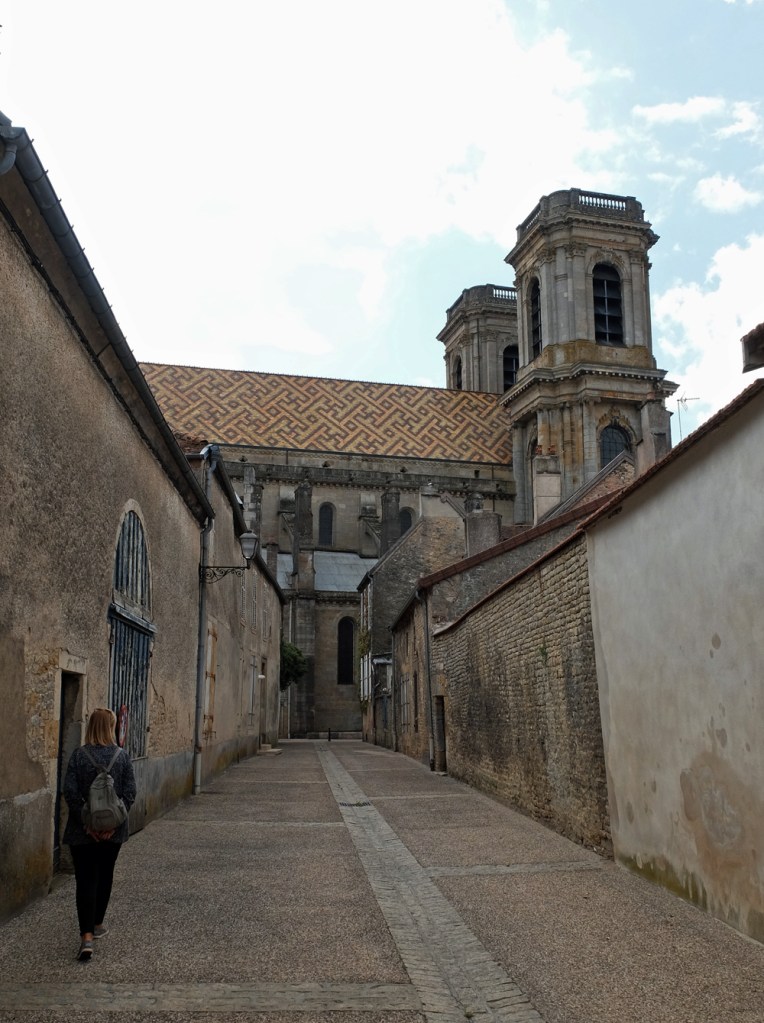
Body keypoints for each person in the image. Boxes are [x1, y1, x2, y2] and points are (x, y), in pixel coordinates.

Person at [63, 707, 137, 962]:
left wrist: (87, 825)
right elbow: (129, 794)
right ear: (111, 727)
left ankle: (86, 938)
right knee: (105, 876)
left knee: (85, 880)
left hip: (81, 832)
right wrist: (112, 826)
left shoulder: (78, 756)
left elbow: (70, 793)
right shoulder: (122, 757)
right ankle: (96, 924)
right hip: (113, 834)